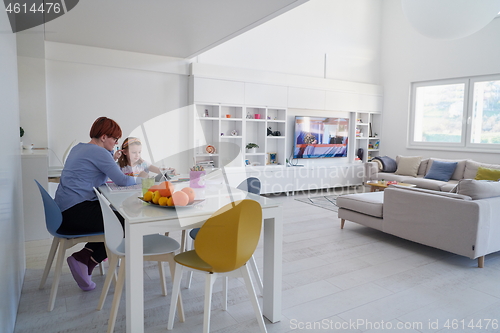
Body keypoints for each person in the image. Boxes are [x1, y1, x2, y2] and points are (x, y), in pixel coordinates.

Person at [54, 117, 141, 291]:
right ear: (103, 137)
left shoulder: (79, 148)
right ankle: (85, 259)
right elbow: (122, 180)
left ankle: (86, 260)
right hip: (76, 212)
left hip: (63, 211)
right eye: (114, 139)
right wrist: (143, 180)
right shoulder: (99, 152)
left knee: (116, 216)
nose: (116, 143)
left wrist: (110, 154)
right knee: (127, 220)